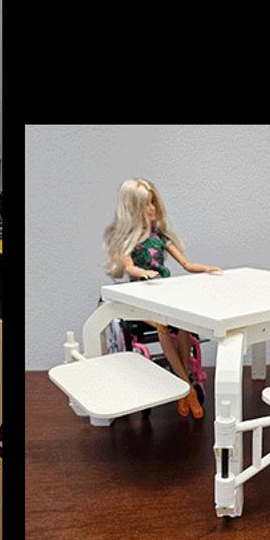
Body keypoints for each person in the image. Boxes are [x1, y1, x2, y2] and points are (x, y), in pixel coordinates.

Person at [101, 178, 221, 418]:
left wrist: (206, 269)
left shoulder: (160, 238)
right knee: (163, 326)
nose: (152, 208)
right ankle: (186, 387)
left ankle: (184, 384)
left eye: (153, 202)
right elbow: (129, 267)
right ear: (133, 208)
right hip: (142, 298)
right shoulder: (130, 242)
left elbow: (186, 264)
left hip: (166, 294)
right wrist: (143, 273)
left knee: (184, 324)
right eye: (146, 204)